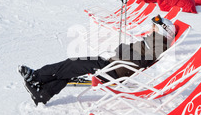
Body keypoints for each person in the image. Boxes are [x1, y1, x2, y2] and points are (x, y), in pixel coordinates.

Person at [18, 15, 176, 106]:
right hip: (113, 64)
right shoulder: (154, 41)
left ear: (163, 30)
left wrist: (122, 50)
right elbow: (136, 55)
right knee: (73, 67)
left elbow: (139, 61)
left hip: (113, 70)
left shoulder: (157, 44)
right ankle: (42, 94)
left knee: (73, 63)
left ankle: (37, 76)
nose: (152, 29)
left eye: (155, 27)